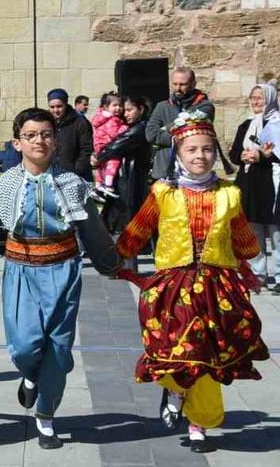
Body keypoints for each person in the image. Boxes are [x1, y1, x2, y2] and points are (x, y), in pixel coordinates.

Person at [116, 110, 269, 453]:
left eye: (207, 149)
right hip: (175, 286)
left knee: (208, 355)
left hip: (217, 288)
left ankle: (198, 424)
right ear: (178, 153)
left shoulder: (229, 194)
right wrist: (115, 258)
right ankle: (174, 389)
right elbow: (139, 229)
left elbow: (241, 237)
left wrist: (248, 269)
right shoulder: (163, 193)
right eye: (192, 149)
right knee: (173, 347)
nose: (200, 156)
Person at [0, 107, 121, 449]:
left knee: (57, 349)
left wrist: (112, 264)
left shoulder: (73, 185)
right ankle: (29, 375)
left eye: (45, 134)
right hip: (21, 273)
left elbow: (92, 230)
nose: (38, 141)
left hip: (63, 272)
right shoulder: (3, 186)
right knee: (25, 346)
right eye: (30, 135)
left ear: (55, 141)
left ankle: (46, 416)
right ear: (17, 143)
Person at [228, 83, 280, 293]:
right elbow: (233, 154)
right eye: (253, 98)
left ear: (271, 99)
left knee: (276, 232)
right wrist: (242, 156)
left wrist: (261, 156)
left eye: (260, 97)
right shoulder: (246, 125)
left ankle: (278, 275)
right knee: (253, 230)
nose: (256, 102)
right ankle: (257, 274)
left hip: (272, 184)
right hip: (250, 184)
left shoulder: (277, 124)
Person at [94, 96, 154, 240]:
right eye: (124, 111)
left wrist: (98, 157)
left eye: (129, 110)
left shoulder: (140, 128)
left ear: (141, 109)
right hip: (124, 179)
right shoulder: (129, 126)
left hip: (130, 181)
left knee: (124, 226)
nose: (125, 114)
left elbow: (116, 145)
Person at [147, 67, 215, 181]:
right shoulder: (162, 106)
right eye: (175, 84)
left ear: (193, 84)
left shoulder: (204, 106)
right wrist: (175, 138)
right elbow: (151, 134)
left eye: (183, 84)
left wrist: (165, 129)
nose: (178, 88)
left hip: (193, 171)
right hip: (165, 170)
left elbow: (192, 128)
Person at [46, 89, 93, 180]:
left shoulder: (80, 122)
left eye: (59, 106)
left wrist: (77, 170)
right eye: (52, 107)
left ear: (65, 104)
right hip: (51, 174)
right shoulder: (47, 122)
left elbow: (86, 149)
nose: (56, 110)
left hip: (76, 175)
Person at [90, 92, 126, 199]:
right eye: (115, 105)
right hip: (106, 144)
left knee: (101, 166)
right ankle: (108, 184)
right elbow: (114, 134)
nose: (118, 108)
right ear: (106, 107)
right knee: (114, 161)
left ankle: (98, 186)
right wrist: (124, 128)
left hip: (98, 145)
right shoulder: (113, 119)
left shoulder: (100, 117)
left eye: (120, 105)